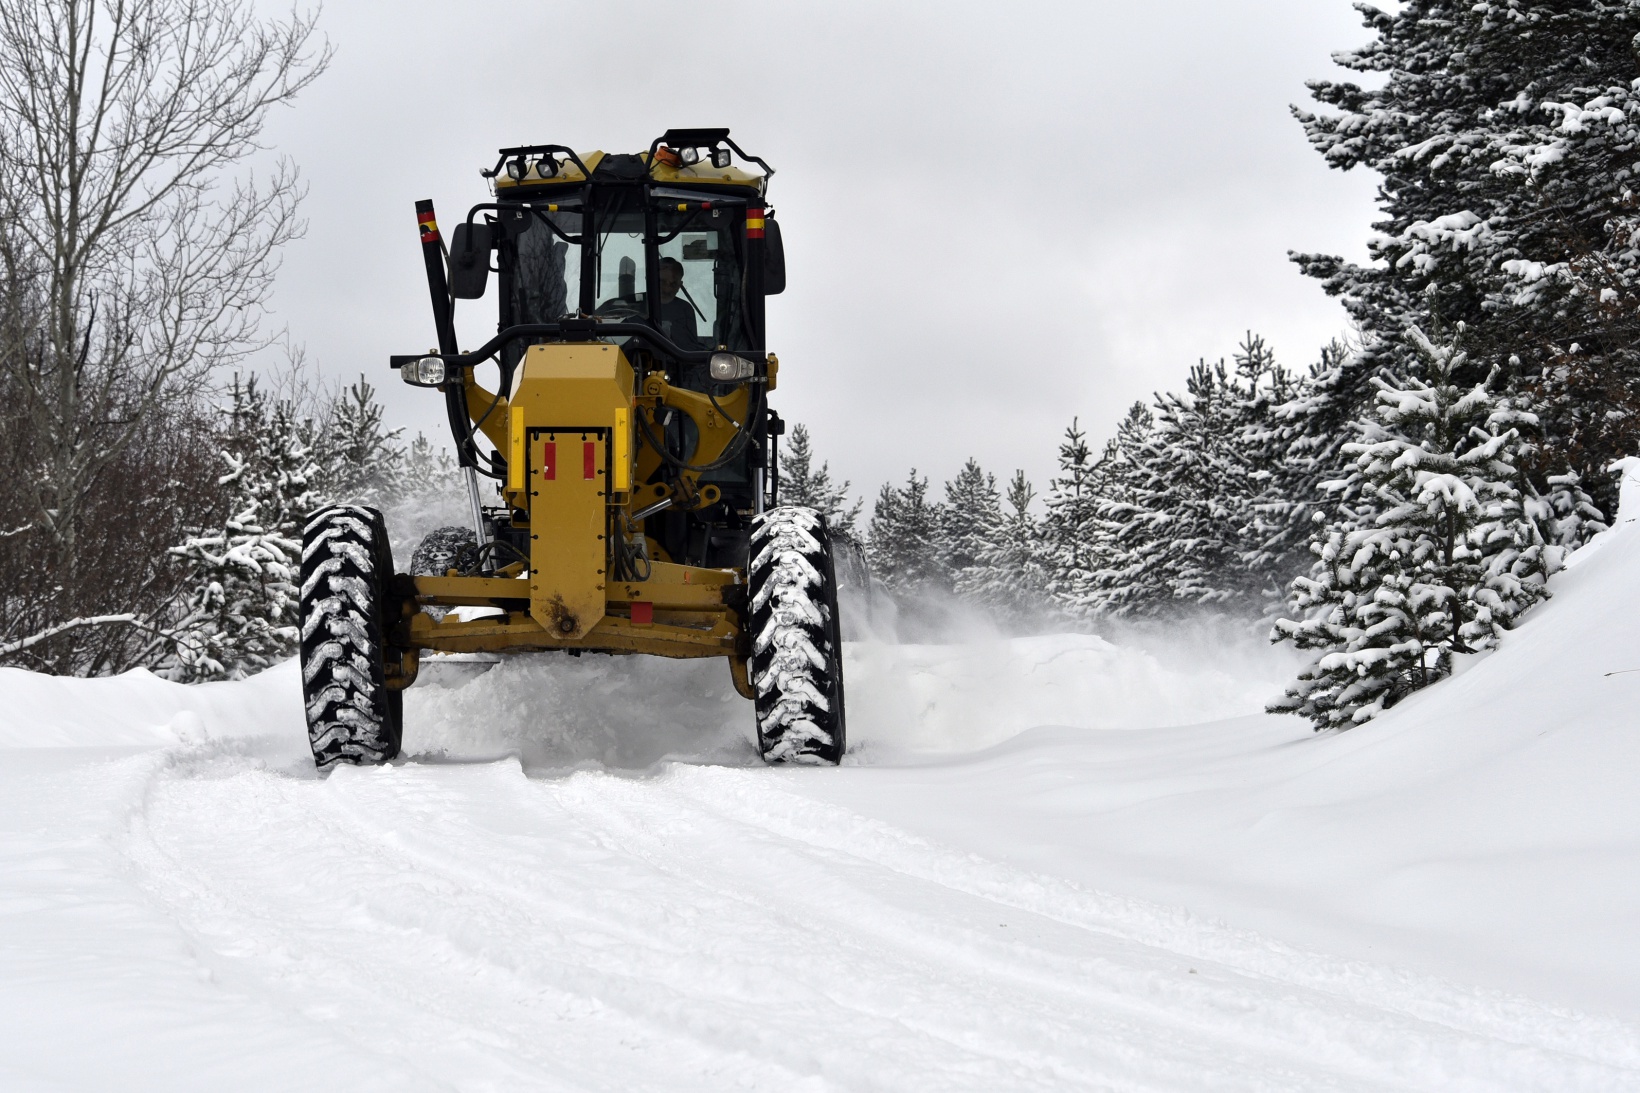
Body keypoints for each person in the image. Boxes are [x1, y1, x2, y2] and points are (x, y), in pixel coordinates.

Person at [655, 257, 704, 351]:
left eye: (673, 283)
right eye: (662, 282)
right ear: (649, 280)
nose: (667, 288)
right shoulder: (633, 306)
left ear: (680, 285)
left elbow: (690, 349)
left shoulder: (685, 309)